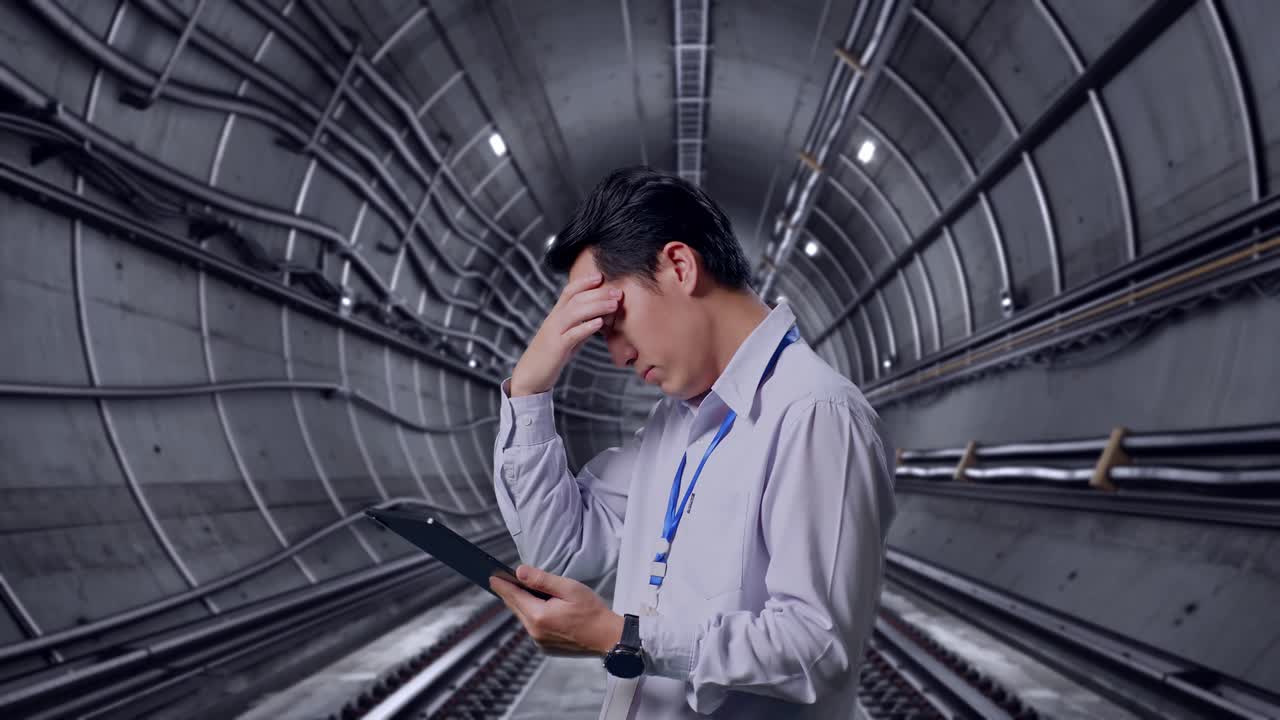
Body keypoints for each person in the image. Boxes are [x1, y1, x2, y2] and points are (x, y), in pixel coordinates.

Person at [488, 166, 896, 719]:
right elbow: (562, 551)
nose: (618, 355)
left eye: (614, 320)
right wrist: (530, 390)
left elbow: (814, 648)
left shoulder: (816, 414)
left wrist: (623, 637)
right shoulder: (674, 425)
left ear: (679, 265)